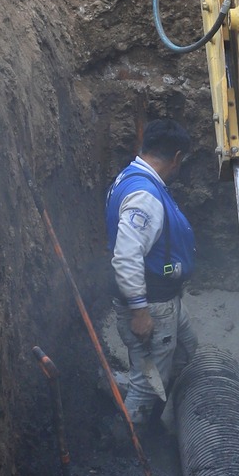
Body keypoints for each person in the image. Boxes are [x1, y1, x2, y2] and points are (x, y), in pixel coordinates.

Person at [105, 118, 198, 424]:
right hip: (152, 306)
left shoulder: (134, 178)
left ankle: (164, 413)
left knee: (186, 349)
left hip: (164, 301)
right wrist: (139, 311)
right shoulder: (144, 196)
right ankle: (133, 442)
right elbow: (126, 257)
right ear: (177, 158)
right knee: (148, 385)